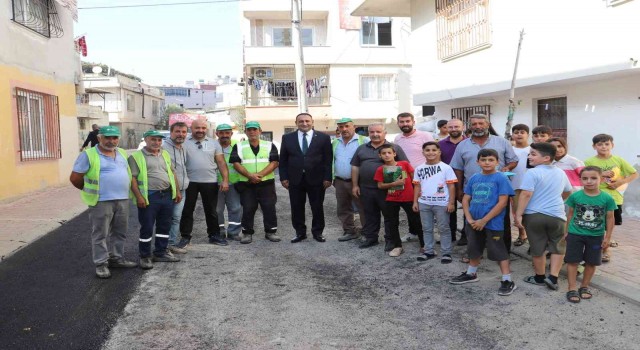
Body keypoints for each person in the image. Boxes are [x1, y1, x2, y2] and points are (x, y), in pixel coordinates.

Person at [70, 126, 137, 279]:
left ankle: (116, 258)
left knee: (120, 232)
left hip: (122, 199)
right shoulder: (88, 154)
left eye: (114, 138)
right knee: (100, 234)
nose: (111, 141)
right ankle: (101, 264)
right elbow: (75, 178)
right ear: (99, 138)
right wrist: (88, 189)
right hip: (101, 201)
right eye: (107, 137)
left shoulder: (121, 153)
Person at [449, 149, 516, 296]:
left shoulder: (501, 178)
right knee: (474, 248)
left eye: (491, 160)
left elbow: (503, 202)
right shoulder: (474, 178)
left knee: (499, 251)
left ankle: (507, 279)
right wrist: (469, 218)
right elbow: (466, 199)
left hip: (493, 223)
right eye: (483, 160)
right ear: (477, 162)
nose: (487, 163)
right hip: (474, 222)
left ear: (497, 162)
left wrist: (484, 220)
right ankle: (471, 273)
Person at [450, 114, 518, 250]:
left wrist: (507, 167)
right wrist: (459, 190)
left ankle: (503, 251)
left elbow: (513, 160)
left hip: (498, 191)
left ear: (488, 124)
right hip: (473, 191)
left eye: (481, 123)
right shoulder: (462, 145)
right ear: (470, 126)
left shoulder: (502, 142)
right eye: (474, 124)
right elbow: (458, 169)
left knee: (501, 220)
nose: (478, 127)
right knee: (472, 219)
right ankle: (475, 251)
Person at [514, 142, 572, 291]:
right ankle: (553, 277)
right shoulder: (560, 172)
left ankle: (539, 277)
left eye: (533, 154)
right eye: (529, 154)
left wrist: (518, 214)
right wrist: (555, 199)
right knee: (558, 246)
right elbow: (567, 192)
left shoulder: (532, 173)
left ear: (546, 158)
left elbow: (526, 194)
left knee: (537, 247)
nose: (529, 156)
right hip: (557, 216)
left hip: (534, 215)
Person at [352, 122, 410, 249]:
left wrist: (401, 184)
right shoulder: (361, 148)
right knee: (370, 214)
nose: (375, 134)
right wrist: (355, 185)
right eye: (372, 132)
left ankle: (390, 240)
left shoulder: (394, 148)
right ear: (368, 133)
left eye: (378, 132)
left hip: (388, 189)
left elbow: (404, 166)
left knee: (390, 216)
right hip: (366, 188)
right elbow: (355, 166)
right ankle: (371, 238)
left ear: (385, 133)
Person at [129, 130, 182, 269]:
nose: (156, 143)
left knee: (164, 225)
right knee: (147, 227)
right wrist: (139, 196)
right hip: (149, 197)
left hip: (166, 195)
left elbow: (172, 173)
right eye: (153, 139)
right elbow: (132, 178)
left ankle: (160, 252)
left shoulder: (164, 153)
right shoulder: (136, 157)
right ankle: (145, 256)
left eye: (159, 140)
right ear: (146, 140)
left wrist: (176, 190)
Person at [564, 166, 617, 303]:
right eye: (585, 178)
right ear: (580, 180)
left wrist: (608, 237)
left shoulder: (607, 198)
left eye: (593, 178)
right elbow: (570, 214)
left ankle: (584, 286)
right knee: (572, 261)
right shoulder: (575, 196)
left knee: (591, 262)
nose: (589, 181)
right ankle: (572, 288)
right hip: (575, 234)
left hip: (596, 236)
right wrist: (566, 231)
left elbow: (610, 218)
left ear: (602, 179)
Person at [279, 113, 333, 243]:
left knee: (317, 206)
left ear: (312, 122)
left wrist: (327, 177)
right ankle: (300, 233)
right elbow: (283, 160)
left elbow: (328, 160)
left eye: (307, 121)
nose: (304, 123)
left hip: (317, 179)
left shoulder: (323, 138)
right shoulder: (287, 138)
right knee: (296, 207)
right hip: (295, 179)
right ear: (296, 123)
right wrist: (283, 177)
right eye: (301, 121)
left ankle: (318, 232)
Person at [584, 134, 638, 262]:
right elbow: (584, 176)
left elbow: (634, 174)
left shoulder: (618, 160)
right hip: (595, 197)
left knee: (609, 224)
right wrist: (601, 174)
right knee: (596, 223)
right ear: (594, 146)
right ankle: (601, 248)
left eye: (606, 144)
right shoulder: (589, 162)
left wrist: (620, 183)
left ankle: (605, 247)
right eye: (600, 144)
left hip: (614, 198)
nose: (603, 146)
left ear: (612, 145)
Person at [176, 119, 229, 249]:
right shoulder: (184, 143)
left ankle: (214, 235)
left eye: (203, 128)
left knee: (212, 210)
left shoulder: (214, 143)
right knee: (187, 210)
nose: (200, 130)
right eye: (197, 128)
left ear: (207, 129)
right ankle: (185, 237)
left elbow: (221, 162)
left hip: (210, 181)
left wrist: (225, 180)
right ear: (191, 129)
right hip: (189, 182)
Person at [230, 121, 280, 244]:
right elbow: (236, 163)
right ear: (246, 132)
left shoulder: (269, 145)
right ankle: (247, 233)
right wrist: (250, 176)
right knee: (248, 208)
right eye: (249, 129)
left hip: (266, 184)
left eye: (254, 129)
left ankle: (271, 232)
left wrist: (260, 175)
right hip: (247, 184)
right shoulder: (239, 146)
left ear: (260, 131)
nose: (252, 132)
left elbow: (274, 162)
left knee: (269, 208)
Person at [412, 142, 457, 263]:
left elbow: (451, 186)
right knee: (426, 228)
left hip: (442, 203)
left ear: (439, 152)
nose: (430, 152)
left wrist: (451, 203)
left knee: (444, 228)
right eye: (427, 150)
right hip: (424, 203)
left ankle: (446, 253)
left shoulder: (446, 168)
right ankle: (428, 251)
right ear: (423, 152)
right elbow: (417, 186)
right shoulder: (419, 168)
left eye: (433, 150)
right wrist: (415, 202)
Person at [393, 112, 432, 242]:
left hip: (424, 178)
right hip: (407, 179)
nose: (405, 124)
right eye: (402, 122)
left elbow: (433, 154)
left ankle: (430, 233)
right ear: (398, 123)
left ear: (413, 122)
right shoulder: (398, 139)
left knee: (426, 206)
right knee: (411, 206)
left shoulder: (425, 135)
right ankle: (413, 232)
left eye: (407, 121)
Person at [373, 145, 416, 257]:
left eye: (389, 153)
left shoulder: (404, 164)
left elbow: (415, 179)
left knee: (416, 220)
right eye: (384, 153)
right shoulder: (380, 169)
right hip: (392, 198)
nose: (387, 155)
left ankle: (424, 245)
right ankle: (398, 246)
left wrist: (417, 195)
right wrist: (394, 184)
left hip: (408, 197)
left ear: (394, 154)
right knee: (392, 223)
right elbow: (380, 185)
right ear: (380, 155)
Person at [332, 118, 368, 242]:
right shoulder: (335, 142)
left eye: (347, 126)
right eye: (341, 127)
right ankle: (349, 231)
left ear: (354, 126)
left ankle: (367, 233)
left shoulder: (364, 141)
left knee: (362, 207)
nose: (344, 129)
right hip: (340, 181)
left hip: (359, 182)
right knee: (343, 207)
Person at [163, 122, 189, 254]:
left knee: (176, 218)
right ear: (171, 132)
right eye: (177, 131)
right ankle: (163, 246)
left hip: (182, 189)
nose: (181, 134)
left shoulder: (183, 147)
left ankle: (171, 244)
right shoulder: (163, 147)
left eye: (184, 132)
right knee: (167, 218)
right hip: (168, 190)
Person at [439, 118, 466, 243]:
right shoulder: (440, 145)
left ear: (463, 127)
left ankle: (466, 236)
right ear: (446, 129)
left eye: (456, 127)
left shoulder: (469, 142)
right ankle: (450, 235)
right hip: (447, 183)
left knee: (467, 208)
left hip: (466, 181)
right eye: (451, 127)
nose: (454, 129)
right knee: (449, 209)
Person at [215, 124, 243, 241]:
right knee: (217, 210)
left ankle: (233, 232)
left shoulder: (238, 145)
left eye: (227, 133)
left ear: (231, 134)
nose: (224, 135)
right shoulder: (212, 145)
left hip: (234, 182)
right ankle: (219, 231)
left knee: (236, 208)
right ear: (217, 134)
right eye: (221, 133)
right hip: (215, 183)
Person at [510, 124, 531, 247]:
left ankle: (534, 239)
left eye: (522, 132)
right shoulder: (509, 149)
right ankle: (522, 234)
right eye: (516, 132)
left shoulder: (533, 149)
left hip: (531, 187)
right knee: (518, 213)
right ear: (512, 135)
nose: (519, 134)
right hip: (515, 185)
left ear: (528, 135)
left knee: (532, 213)